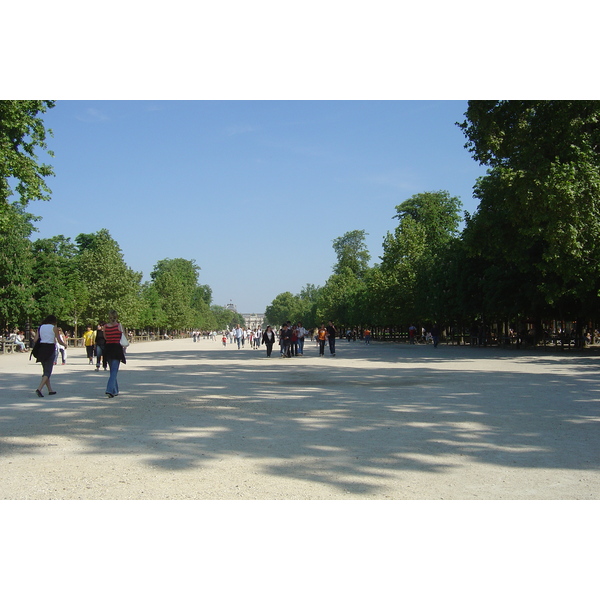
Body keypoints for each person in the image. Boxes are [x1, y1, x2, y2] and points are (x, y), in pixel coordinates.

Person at [32, 315, 66, 397]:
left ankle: (50, 390)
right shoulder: (54, 328)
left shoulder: (41, 327)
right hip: (50, 348)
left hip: (42, 348)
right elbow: (59, 340)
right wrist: (64, 344)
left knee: (45, 370)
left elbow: (35, 339)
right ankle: (39, 389)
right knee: (48, 371)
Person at [103, 310, 127, 398]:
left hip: (108, 348)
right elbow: (123, 336)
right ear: (116, 317)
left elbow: (105, 338)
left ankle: (115, 390)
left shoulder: (105, 327)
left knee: (112, 370)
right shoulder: (119, 326)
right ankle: (109, 389)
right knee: (114, 371)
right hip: (117, 348)